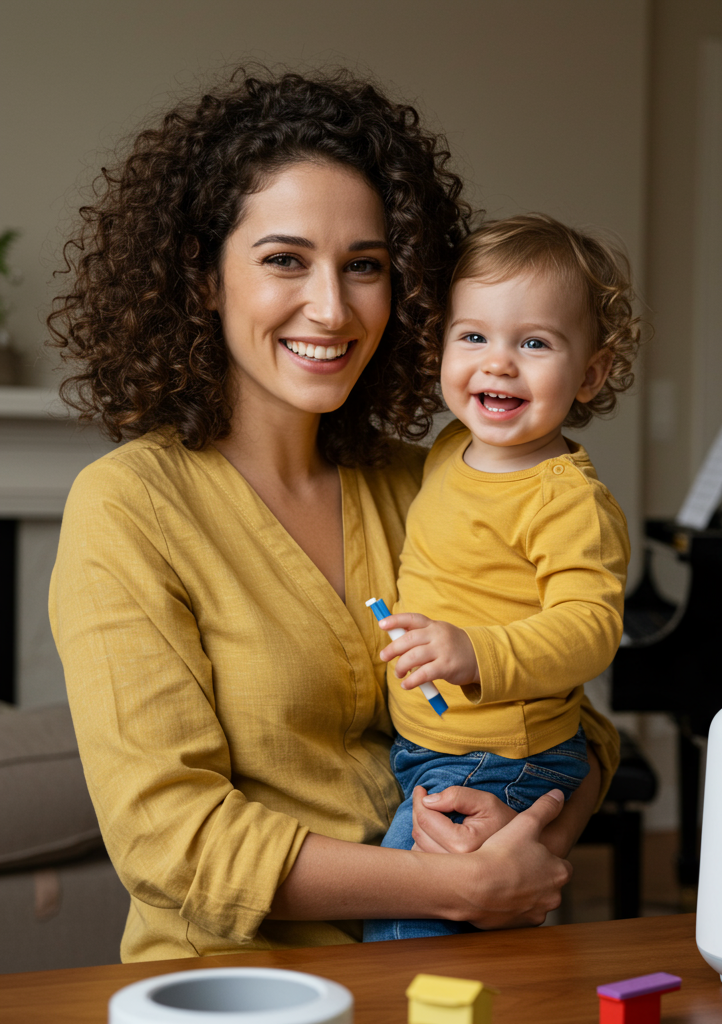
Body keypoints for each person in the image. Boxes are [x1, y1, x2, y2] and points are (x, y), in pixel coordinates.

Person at [46, 68, 619, 963]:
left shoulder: (430, 480)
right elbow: (170, 838)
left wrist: (526, 833)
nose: (332, 307)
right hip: (238, 982)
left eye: (365, 267)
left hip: (450, 970)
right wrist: (456, 885)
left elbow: (581, 727)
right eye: (284, 260)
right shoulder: (129, 508)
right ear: (202, 278)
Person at [363, 215, 640, 941]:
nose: (498, 363)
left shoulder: (566, 498)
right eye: (474, 336)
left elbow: (590, 630)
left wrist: (474, 651)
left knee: (406, 931)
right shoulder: (451, 446)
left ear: (592, 373)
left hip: (500, 758)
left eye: (535, 342)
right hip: (431, 746)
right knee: (467, 937)